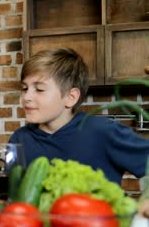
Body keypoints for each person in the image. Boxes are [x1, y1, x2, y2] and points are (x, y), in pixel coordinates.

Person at [9, 47, 149, 184]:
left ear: (71, 97)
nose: (26, 97)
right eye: (25, 88)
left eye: (39, 89)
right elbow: (0, 193)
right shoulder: (19, 139)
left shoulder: (104, 132)